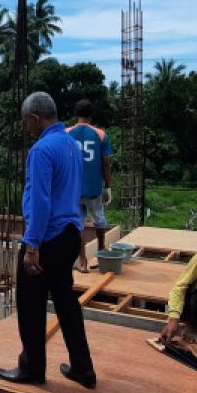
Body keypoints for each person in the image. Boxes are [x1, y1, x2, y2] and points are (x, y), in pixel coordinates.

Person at [0, 92, 98, 389]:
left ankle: (31, 368)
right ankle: (83, 368)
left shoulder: (41, 150)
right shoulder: (70, 144)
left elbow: (40, 203)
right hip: (70, 234)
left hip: (48, 238)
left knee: (30, 304)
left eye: (26, 122)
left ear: (34, 118)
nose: (26, 127)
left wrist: (32, 246)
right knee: (66, 302)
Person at [67, 99, 113, 272]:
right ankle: (101, 255)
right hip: (94, 189)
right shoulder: (101, 135)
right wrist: (108, 186)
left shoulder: (66, 133)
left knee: (77, 225)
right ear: (91, 115)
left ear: (76, 114)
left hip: (73, 190)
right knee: (99, 220)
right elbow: (106, 163)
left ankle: (82, 262)